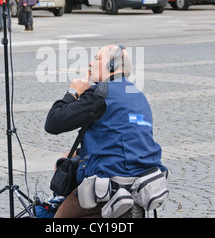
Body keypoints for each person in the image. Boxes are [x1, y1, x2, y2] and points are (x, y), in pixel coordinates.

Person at [44, 45, 167, 218]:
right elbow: (118, 137)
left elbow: (53, 123)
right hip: (143, 178)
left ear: (111, 66)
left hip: (110, 180)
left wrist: (73, 92)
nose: (90, 63)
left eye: (97, 58)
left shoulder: (100, 94)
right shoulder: (137, 94)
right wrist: (76, 154)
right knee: (69, 159)